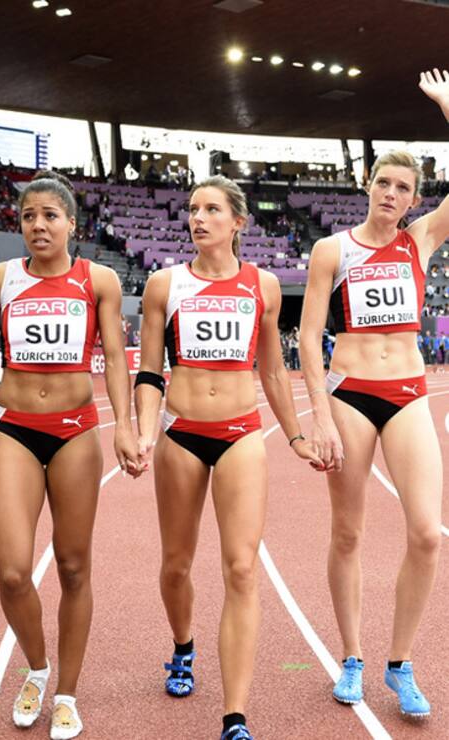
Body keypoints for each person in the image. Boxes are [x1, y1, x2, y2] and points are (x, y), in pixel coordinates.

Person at [0, 171, 140, 740]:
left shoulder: (98, 279)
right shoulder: (0, 279)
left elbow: (116, 357)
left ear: (71, 224)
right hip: (15, 429)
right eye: (29, 216)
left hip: (76, 431)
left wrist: (125, 426)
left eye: (50, 215)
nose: (38, 225)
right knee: (12, 572)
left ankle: (67, 694)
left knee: (74, 566)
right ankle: (36, 668)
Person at [135, 175, 322, 740]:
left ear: (238, 221)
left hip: (241, 431)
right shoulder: (164, 285)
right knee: (176, 564)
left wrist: (296, 436)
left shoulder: (263, 285)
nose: (198, 218)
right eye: (193, 209)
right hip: (182, 433)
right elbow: (149, 371)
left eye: (212, 209)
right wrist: (144, 432)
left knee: (241, 567)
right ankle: (183, 646)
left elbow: (273, 371)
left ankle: (234, 716)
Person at [299, 69, 449, 718]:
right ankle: (354, 656)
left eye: (403, 188)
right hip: (351, 393)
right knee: (348, 533)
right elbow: (309, 338)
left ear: (414, 199)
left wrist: (447, 106)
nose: (391, 193)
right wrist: (319, 416)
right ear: (368, 185)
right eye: (384, 183)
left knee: (427, 534)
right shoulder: (332, 250)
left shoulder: (421, 241)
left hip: (407, 391)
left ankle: (400, 662)